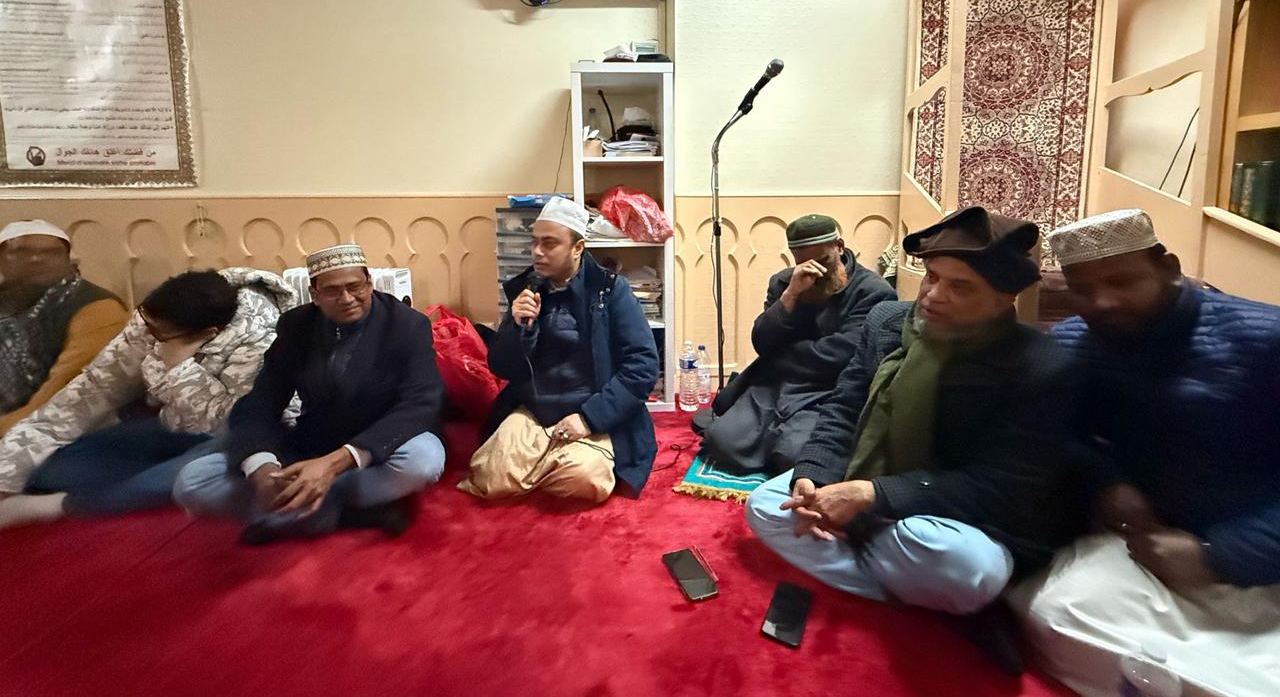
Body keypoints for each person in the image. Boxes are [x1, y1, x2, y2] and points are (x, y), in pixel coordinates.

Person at [744, 206, 1090, 675]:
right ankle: (929, 596)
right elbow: (844, 407)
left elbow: (1000, 486)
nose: (932, 295)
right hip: (876, 490)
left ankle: (921, 578)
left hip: (960, 516)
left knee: (968, 569)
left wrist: (872, 495)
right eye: (931, 277)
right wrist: (813, 475)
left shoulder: (1042, 367)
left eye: (960, 287)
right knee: (766, 506)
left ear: (1003, 299)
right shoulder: (888, 322)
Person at [1009, 209, 1280, 697]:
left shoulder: (1265, 339)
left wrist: (1220, 556)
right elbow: (1061, 436)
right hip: (1149, 554)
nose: (1102, 302)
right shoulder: (1073, 343)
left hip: (1262, 561)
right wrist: (1107, 483)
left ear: (1169, 267)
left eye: (1121, 281)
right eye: (1083, 290)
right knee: (1055, 613)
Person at [173, 245, 446, 544]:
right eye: (332, 291)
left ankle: (293, 513)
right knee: (192, 482)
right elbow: (261, 401)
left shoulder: (406, 325)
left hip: (380, 445)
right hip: (315, 444)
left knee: (423, 461)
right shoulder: (297, 327)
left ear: (369, 283)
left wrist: (334, 464)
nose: (347, 298)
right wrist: (262, 469)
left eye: (355, 286)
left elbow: (421, 402)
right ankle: (345, 513)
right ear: (314, 294)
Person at [0, 268, 295, 529]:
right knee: (53, 470)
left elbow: (243, 424)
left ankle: (70, 504)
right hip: (172, 427)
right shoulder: (156, 318)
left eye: (159, 334)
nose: (148, 336)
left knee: (189, 475)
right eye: (145, 323)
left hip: (234, 439)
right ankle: (131, 482)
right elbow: (90, 392)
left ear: (208, 334)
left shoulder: (261, 338)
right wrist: (6, 473)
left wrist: (179, 369)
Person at [459, 197, 659, 503]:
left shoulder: (610, 291)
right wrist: (519, 328)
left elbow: (642, 367)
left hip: (591, 411)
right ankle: (548, 460)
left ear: (577, 248)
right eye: (534, 242)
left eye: (549, 243)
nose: (537, 252)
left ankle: (546, 464)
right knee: (488, 475)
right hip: (534, 411)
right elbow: (501, 366)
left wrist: (588, 419)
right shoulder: (525, 289)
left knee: (584, 478)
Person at [698, 214, 895, 475]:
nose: (816, 272)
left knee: (794, 454)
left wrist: (779, 355)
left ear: (839, 246)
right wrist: (790, 296)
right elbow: (762, 342)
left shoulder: (872, 291)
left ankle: (780, 444)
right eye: (805, 263)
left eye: (823, 261)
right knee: (722, 442)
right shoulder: (784, 283)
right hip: (776, 384)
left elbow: (841, 355)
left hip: (829, 390)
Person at [0, 220, 128, 435]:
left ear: (68, 262)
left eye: (51, 253)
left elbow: (65, 393)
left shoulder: (97, 307)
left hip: (66, 430)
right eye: (21, 252)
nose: (36, 259)